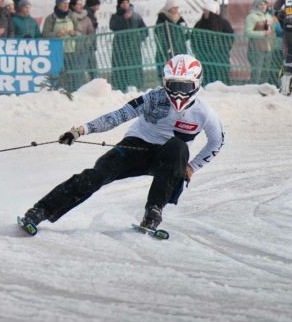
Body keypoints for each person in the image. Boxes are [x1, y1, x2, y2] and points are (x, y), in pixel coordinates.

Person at [19, 54, 224, 235]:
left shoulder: (205, 113)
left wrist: (192, 167)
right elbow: (117, 116)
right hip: (135, 147)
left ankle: (153, 212)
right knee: (96, 176)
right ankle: (40, 211)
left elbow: (217, 142)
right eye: (173, 86)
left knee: (178, 147)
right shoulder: (153, 99)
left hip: (167, 158)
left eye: (184, 87)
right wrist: (80, 130)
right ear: (164, 83)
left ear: (196, 84)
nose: (178, 93)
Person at [109, 0, 147, 91]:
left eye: (127, 2)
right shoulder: (115, 16)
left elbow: (144, 30)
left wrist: (139, 39)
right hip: (120, 47)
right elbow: (113, 27)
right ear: (119, 4)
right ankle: (120, 86)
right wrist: (124, 18)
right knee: (121, 66)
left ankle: (136, 85)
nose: (125, 5)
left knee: (134, 66)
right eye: (123, 3)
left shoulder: (136, 16)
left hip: (134, 47)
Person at [191, 0, 234, 85]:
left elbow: (230, 39)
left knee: (222, 80)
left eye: (207, 10)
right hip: (204, 58)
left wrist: (222, 50)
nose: (204, 12)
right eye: (204, 10)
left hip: (220, 59)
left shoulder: (223, 24)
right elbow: (193, 38)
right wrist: (198, 52)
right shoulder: (199, 24)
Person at [244, 0, 279, 84]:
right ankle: (254, 88)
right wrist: (262, 34)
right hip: (256, 50)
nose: (263, 6)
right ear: (256, 6)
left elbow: (273, 32)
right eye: (260, 4)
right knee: (256, 72)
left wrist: (274, 44)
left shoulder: (270, 17)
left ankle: (263, 89)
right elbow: (247, 32)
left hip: (269, 50)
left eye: (264, 4)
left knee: (266, 72)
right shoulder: (251, 17)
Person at [153, 0, 187, 77]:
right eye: (173, 8)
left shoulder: (180, 19)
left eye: (177, 8)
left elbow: (186, 37)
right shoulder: (162, 20)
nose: (176, 10)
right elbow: (158, 35)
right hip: (167, 52)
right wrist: (166, 46)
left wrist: (185, 31)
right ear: (168, 9)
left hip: (180, 51)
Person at [68, 0, 95, 87]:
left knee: (81, 70)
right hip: (70, 49)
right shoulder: (68, 18)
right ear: (73, 6)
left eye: (81, 4)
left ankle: (80, 88)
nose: (81, 6)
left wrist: (86, 43)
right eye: (78, 4)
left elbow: (91, 33)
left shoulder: (87, 19)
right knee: (71, 71)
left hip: (83, 49)